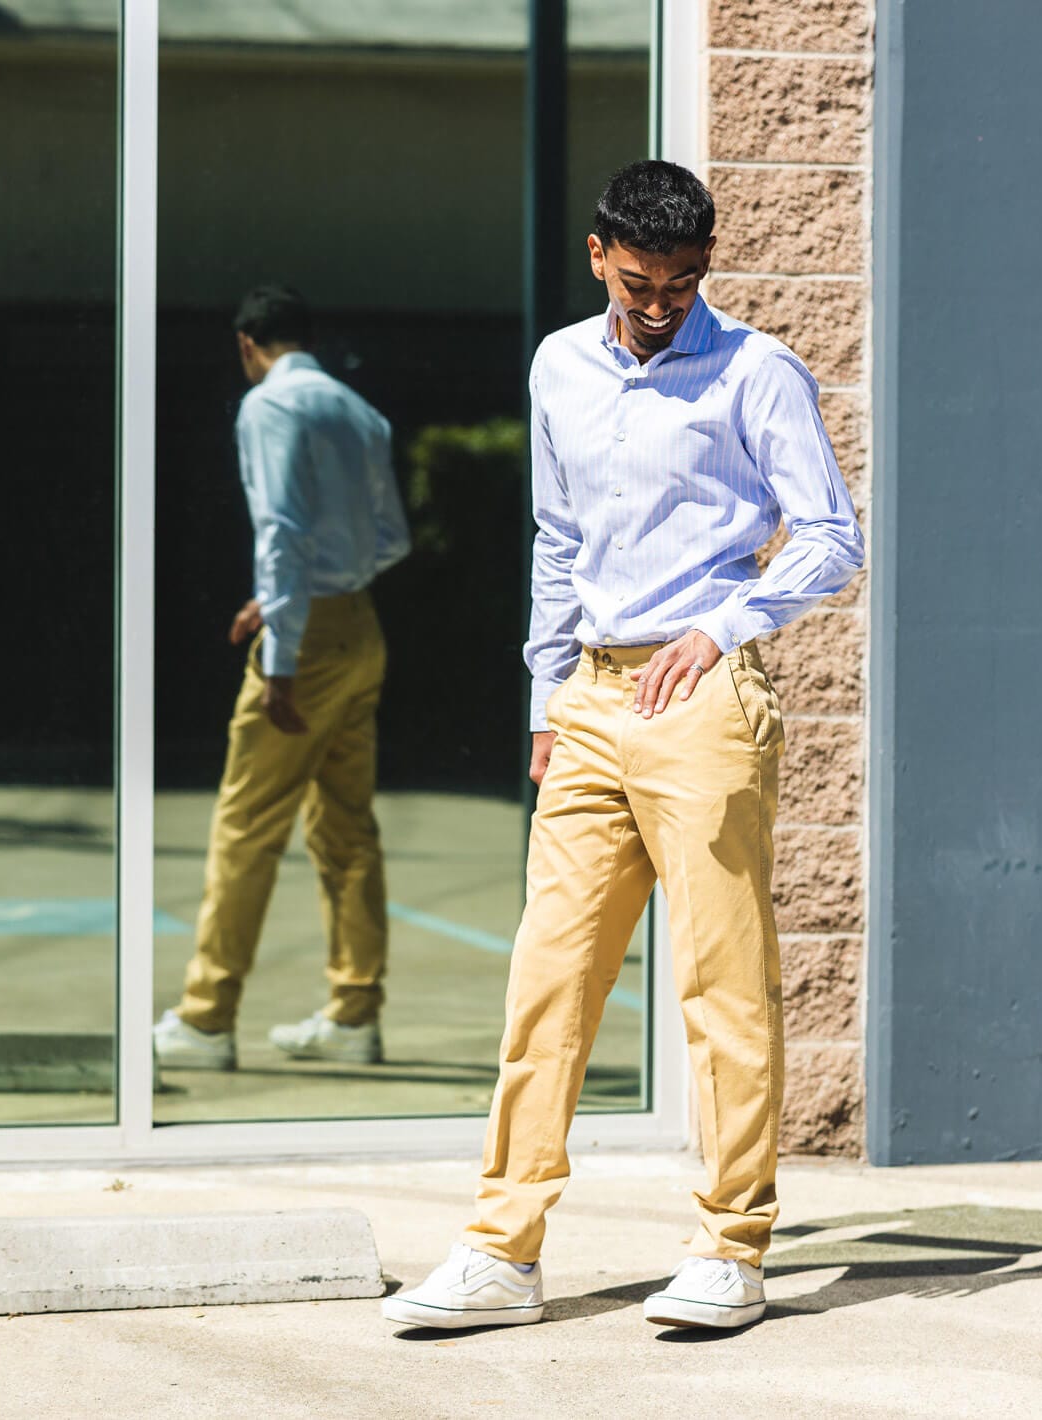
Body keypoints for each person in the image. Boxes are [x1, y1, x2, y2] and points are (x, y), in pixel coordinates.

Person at [383, 161, 863, 1332]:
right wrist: (548, 702)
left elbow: (833, 537)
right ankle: (503, 1249)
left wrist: (721, 626)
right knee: (549, 979)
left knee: (721, 985)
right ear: (600, 254)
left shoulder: (755, 371)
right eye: (644, 282)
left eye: (686, 284)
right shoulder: (560, 364)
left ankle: (732, 1246)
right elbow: (558, 537)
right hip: (592, 703)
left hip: (702, 699)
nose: (664, 306)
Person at [154, 284, 410, 1071]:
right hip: (360, 624)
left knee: (246, 825)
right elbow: (391, 537)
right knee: (346, 831)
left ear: (246, 345)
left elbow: (281, 529)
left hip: (308, 640)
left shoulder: (269, 407)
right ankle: (354, 1014)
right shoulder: (361, 413)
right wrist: (291, 597)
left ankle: (205, 1019)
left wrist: (284, 647)